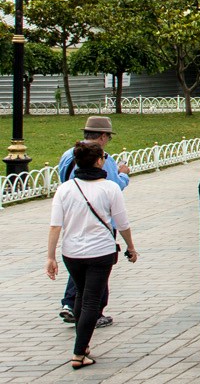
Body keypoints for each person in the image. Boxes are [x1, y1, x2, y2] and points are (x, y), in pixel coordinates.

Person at [47, 140, 138, 369]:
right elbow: (122, 223)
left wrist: (50, 257)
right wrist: (130, 246)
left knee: (80, 295)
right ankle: (79, 353)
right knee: (90, 302)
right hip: (101, 252)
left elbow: (55, 226)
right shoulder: (110, 188)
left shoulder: (65, 189)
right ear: (99, 161)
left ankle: (83, 345)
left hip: (72, 253)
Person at [55, 116, 130, 326]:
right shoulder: (104, 158)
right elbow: (114, 186)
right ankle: (93, 312)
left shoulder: (67, 156)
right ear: (103, 136)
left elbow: (64, 181)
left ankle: (71, 304)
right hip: (100, 221)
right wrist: (124, 175)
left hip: (73, 218)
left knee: (79, 265)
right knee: (97, 268)